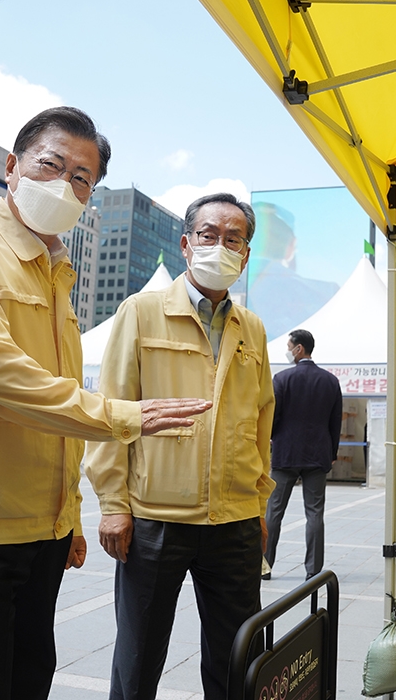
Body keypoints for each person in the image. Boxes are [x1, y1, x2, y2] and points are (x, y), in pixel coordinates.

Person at [0, 107, 210, 700]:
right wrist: (122, 418)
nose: (66, 184)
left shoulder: (58, 271)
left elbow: (56, 403)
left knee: (27, 682)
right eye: (53, 165)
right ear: (13, 168)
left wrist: (67, 516)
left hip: (39, 533)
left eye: (82, 178)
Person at [86, 193, 275, 700]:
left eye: (233, 238)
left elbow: (261, 422)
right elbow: (111, 410)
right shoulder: (142, 312)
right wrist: (112, 505)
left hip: (234, 521)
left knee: (238, 656)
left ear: (246, 253)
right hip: (155, 519)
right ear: (187, 244)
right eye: (209, 235)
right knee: (139, 655)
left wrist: (257, 504)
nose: (220, 246)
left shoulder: (251, 327)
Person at [263, 329, 343, 581]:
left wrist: (273, 439)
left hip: (286, 453)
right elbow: (335, 421)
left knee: (274, 511)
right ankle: (313, 570)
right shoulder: (330, 381)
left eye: (289, 346)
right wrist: (332, 452)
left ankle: (265, 566)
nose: (287, 351)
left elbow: (273, 417)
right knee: (315, 513)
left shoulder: (282, 379)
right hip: (318, 454)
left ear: (299, 349)